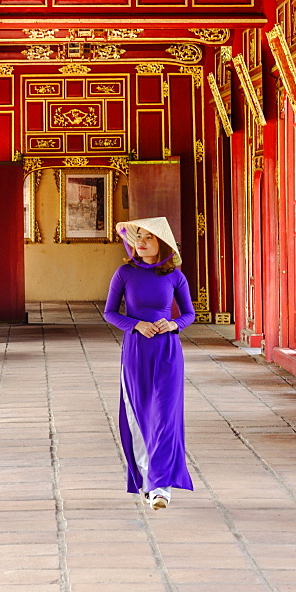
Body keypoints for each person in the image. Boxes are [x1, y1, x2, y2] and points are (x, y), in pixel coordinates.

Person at [104, 217, 195, 510]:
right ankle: (146, 479)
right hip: (136, 351)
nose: (141, 242)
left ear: (162, 244)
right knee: (139, 415)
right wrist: (136, 325)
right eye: (138, 237)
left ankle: (161, 487)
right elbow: (109, 313)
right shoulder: (124, 274)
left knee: (165, 418)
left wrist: (173, 324)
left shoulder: (175, 277)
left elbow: (190, 314)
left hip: (168, 353)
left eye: (148, 238)